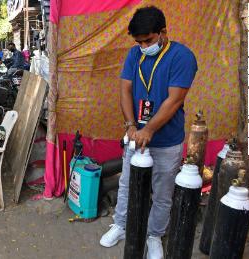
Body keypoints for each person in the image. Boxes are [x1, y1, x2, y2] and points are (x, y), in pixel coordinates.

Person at [99, 6, 197, 259]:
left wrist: (150, 129)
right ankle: (120, 225)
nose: (143, 46)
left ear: (163, 32)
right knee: (126, 184)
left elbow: (174, 100)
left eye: (148, 40)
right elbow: (125, 91)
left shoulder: (182, 56)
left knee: (163, 193)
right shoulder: (134, 54)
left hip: (167, 141)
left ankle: (154, 235)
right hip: (136, 138)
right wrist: (131, 126)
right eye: (139, 42)